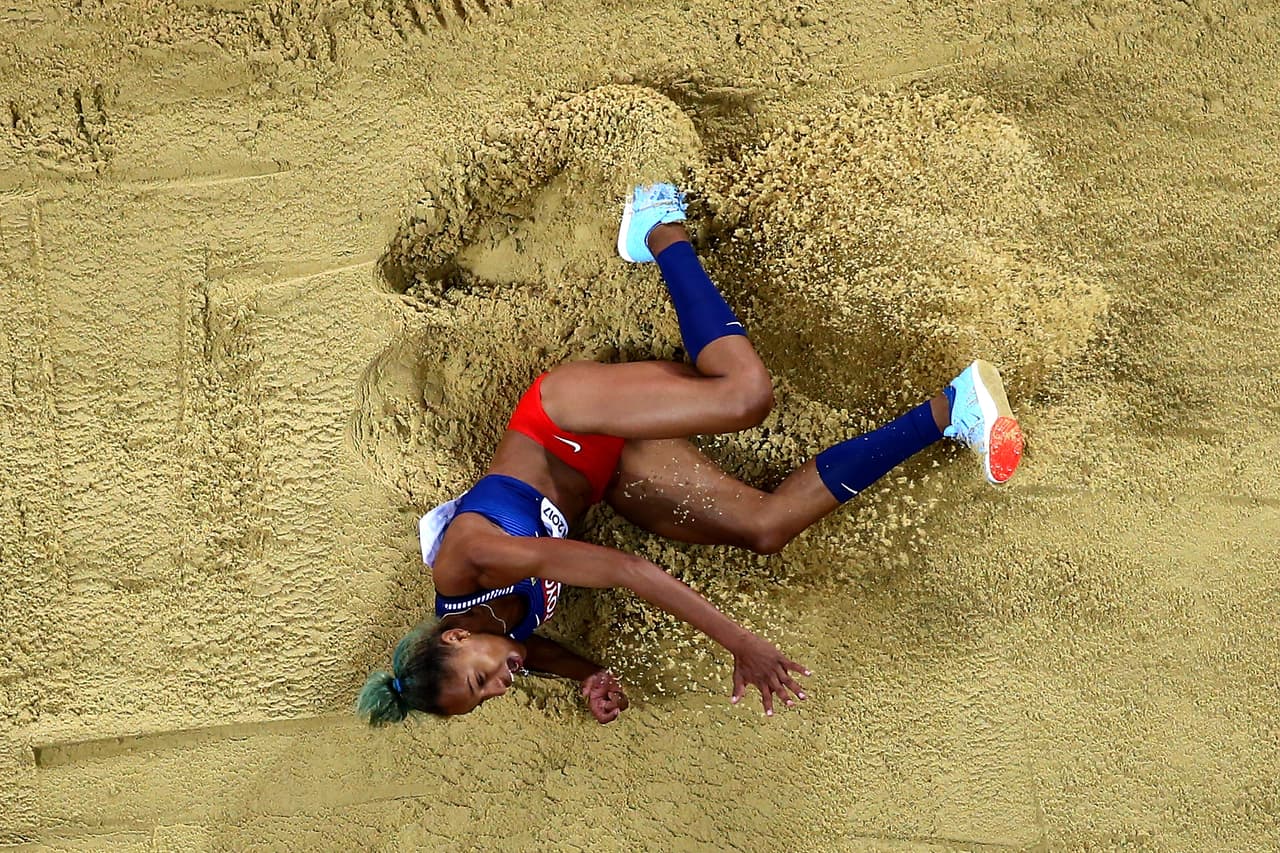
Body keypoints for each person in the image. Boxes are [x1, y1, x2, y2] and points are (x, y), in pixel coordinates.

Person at [357, 184, 1024, 726]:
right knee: (766, 528)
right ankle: (950, 408)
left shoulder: (467, 560)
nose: (499, 685)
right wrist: (590, 676)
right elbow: (533, 654)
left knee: (746, 396)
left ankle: (654, 224)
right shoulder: (503, 640)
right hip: (609, 472)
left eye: (479, 679)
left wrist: (741, 642)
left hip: (564, 418)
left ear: (453, 637)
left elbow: (621, 567)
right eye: (483, 699)